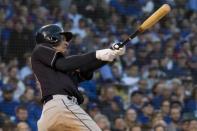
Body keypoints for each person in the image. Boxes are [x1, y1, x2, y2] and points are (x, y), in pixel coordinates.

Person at [31, 24, 125, 131]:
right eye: (63, 39)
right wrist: (97, 54)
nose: (67, 43)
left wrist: (111, 54)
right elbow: (64, 64)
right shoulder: (41, 49)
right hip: (62, 106)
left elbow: (84, 69)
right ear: (51, 38)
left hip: (51, 113)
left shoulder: (57, 70)